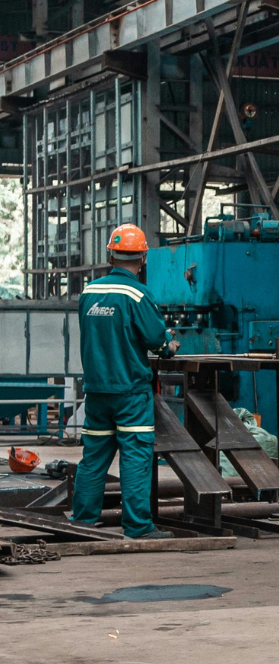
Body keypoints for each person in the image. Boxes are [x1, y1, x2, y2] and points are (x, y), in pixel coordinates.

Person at [69, 224, 175, 540]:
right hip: (130, 391)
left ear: (110, 255)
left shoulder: (89, 293)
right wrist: (169, 343)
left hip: (97, 391)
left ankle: (83, 522)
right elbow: (157, 340)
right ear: (142, 257)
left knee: (93, 458)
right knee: (135, 457)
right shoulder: (137, 294)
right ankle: (138, 527)